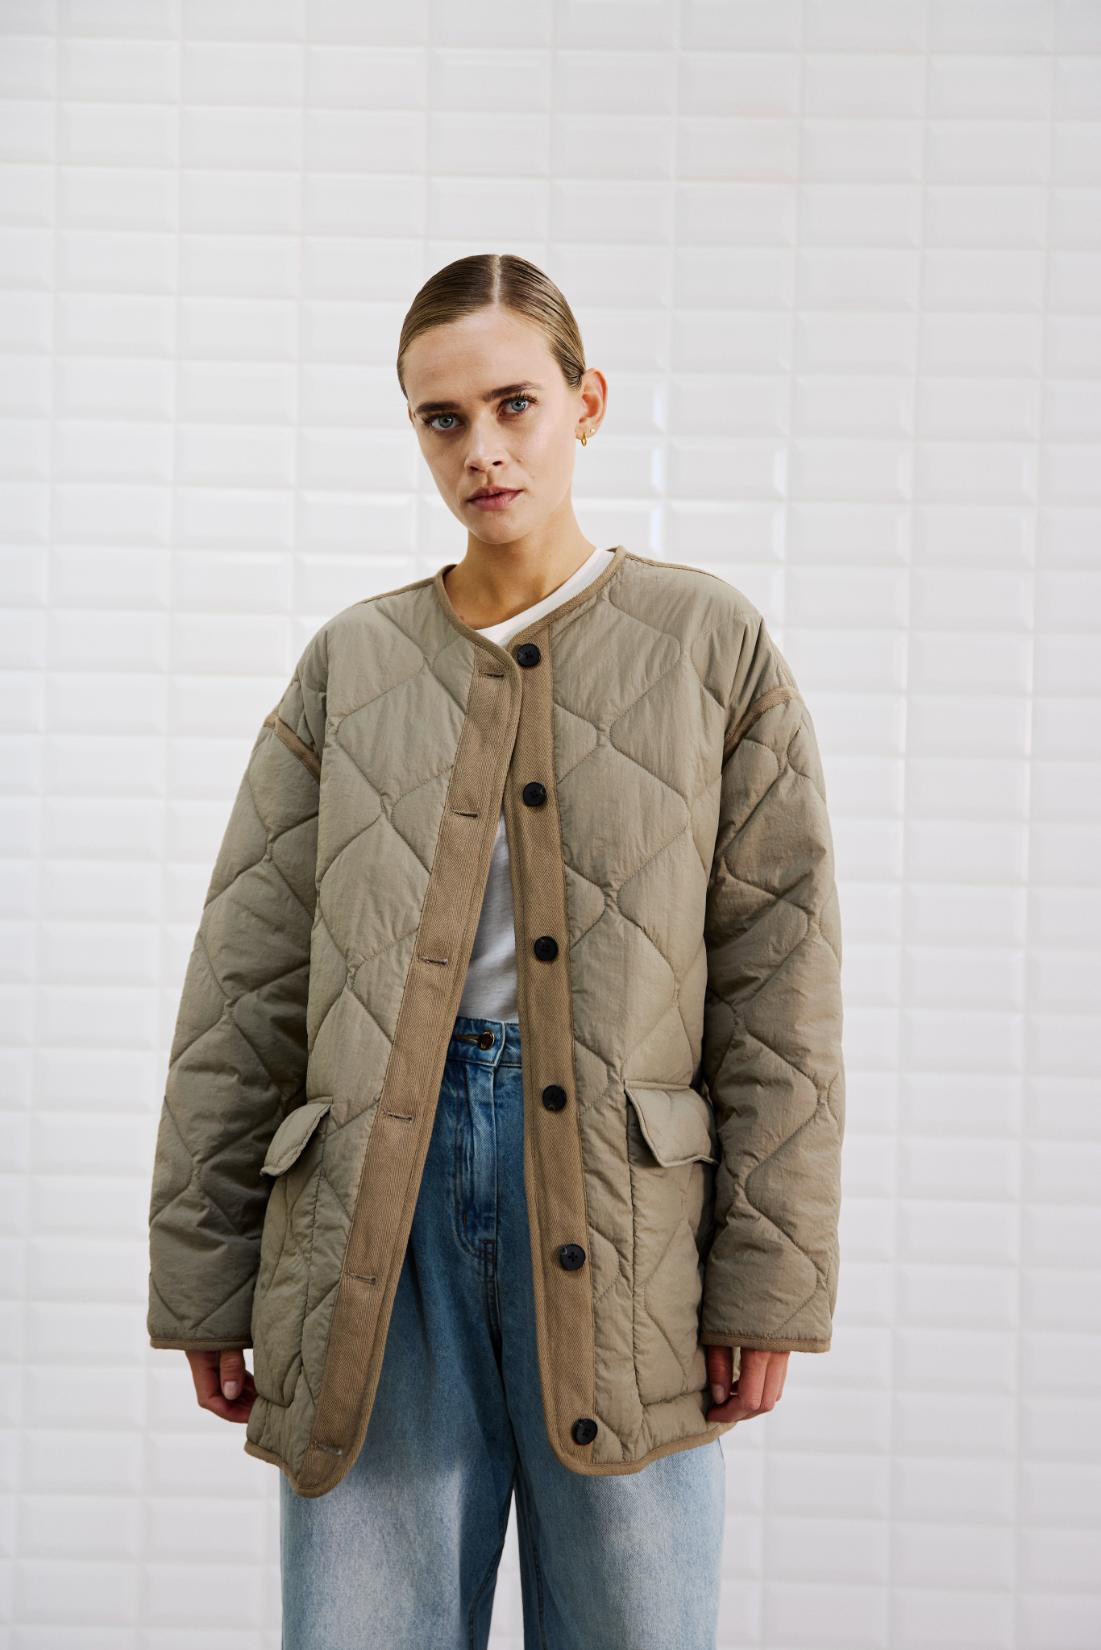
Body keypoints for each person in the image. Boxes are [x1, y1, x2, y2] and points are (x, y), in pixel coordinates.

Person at [146, 252, 845, 1649]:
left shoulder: (709, 645)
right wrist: (205, 1273)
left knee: (634, 1623)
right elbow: (244, 981)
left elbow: (780, 981)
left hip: (627, 1215)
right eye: (443, 418)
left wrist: (770, 1279)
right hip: (374, 1211)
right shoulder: (352, 663)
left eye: (514, 403)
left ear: (587, 402)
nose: (482, 449)